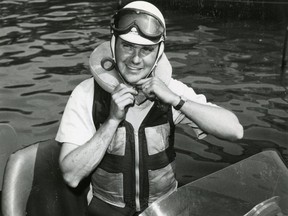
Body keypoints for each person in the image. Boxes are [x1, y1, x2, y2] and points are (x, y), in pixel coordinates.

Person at [56, 1, 243, 215]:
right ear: (114, 44)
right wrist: (112, 121)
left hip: (162, 210)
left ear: (159, 53)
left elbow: (235, 131)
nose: (135, 59)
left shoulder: (171, 90)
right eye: (127, 46)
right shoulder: (86, 93)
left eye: (146, 50)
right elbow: (71, 175)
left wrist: (176, 101)